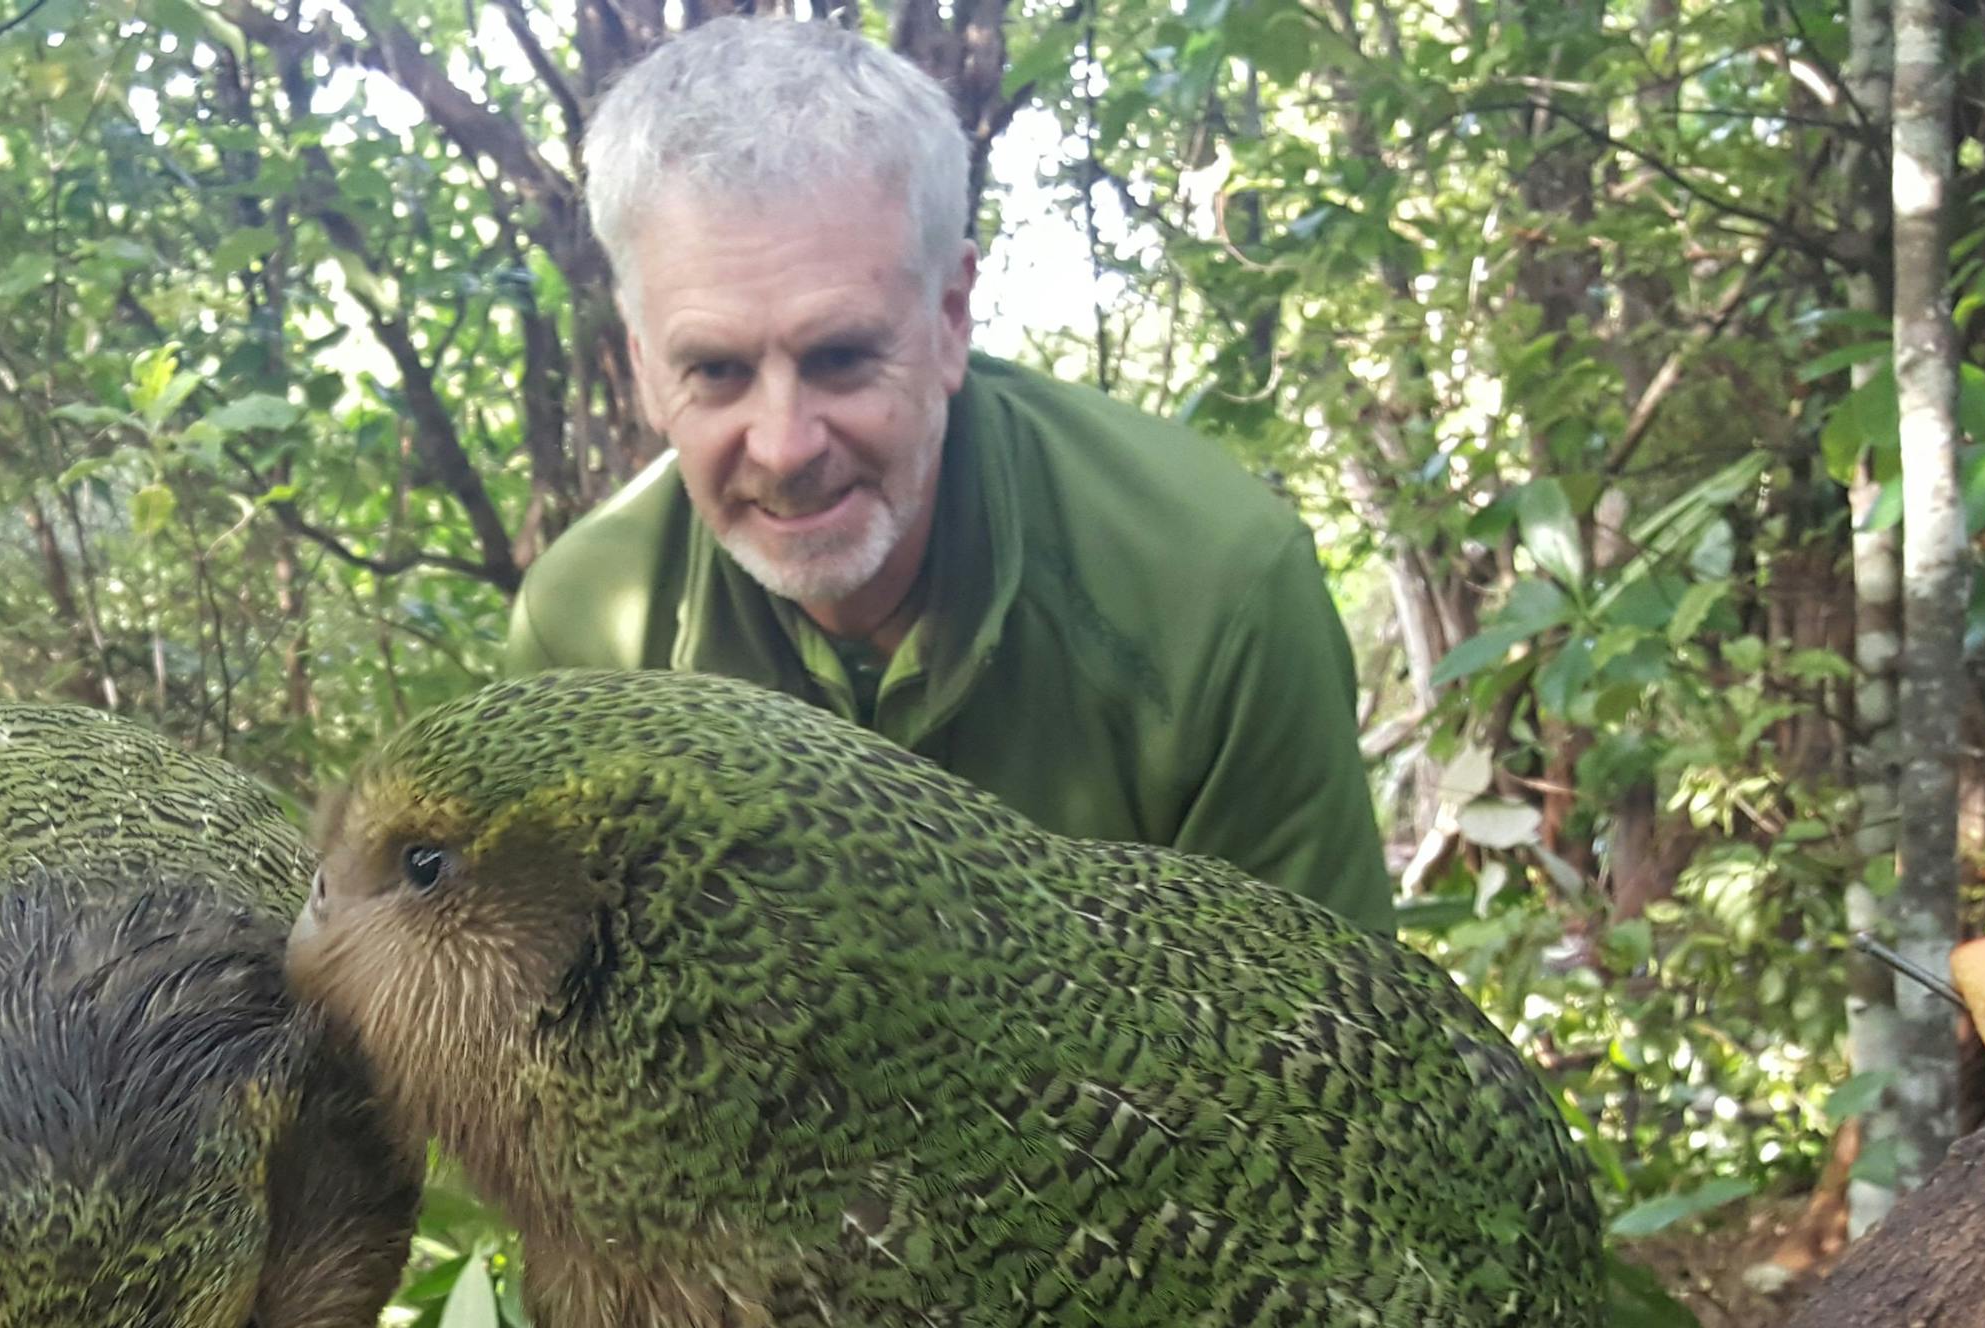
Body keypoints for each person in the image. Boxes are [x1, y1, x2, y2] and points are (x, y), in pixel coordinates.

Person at [507, 14, 1398, 933]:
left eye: (842, 355)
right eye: (717, 371)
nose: (783, 446)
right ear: (645, 365)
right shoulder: (581, 631)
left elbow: (1325, 1037)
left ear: (951, 317)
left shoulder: (1214, 594)